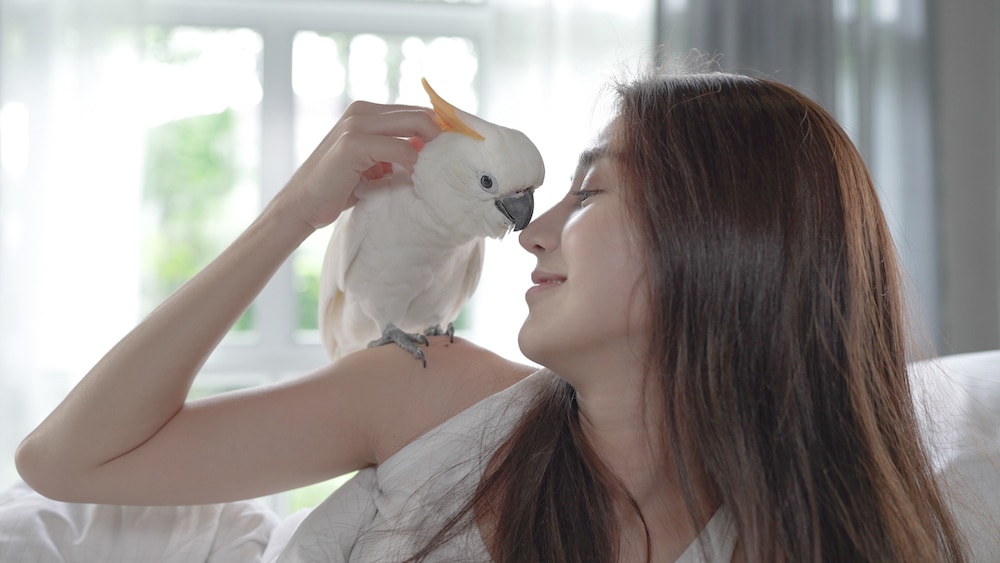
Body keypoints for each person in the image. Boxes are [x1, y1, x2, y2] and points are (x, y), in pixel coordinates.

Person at [14, 70, 968, 562]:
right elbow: (65, 461)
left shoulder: (821, 529)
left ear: (719, 235)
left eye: (587, 194)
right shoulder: (438, 389)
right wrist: (293, 215)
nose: (531, 233)